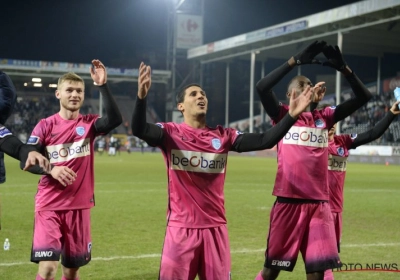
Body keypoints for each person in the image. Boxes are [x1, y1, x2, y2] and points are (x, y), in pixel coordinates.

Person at [131, 62, 315, 280]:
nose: (201, 97)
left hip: (216, 229)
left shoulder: (223, 135)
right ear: (180, 106)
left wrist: (291, 115)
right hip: (181, 230)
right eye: (193, 94)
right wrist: (141, 97)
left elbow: (266, 140)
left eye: (203, 94)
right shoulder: (170, 133)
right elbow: (139, 129)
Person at [253, 41, 372, 280]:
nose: (308, 87)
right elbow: (262, 87)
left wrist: (344, 69)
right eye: (302, 85)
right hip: (288, 202)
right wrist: (295, 60)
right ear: (290, 95)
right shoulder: (281, 116)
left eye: (310, 84)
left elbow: (363, 96)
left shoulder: (325, 118)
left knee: (317, 273)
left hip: (319, 205)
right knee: (271, 271)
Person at [26, 59, 122, 280]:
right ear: (58, 94)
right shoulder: (45, 125)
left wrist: (103, 86)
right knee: (48, 268)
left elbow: (115, 119)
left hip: (79, 207)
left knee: (70, 272)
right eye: (69, 90)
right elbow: (28, 161)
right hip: (49, 205)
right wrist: (51, 169)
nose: (75, 94)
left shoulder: (89, 124)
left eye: (79, 90)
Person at [323, 101, 400, 280]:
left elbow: (372, 133)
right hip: (319, 209)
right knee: (323, 263)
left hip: (337, 210)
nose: (332, 126)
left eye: (333, 122)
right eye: (328, 122)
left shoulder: (344, 142)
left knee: (327, 262)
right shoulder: (312, 146)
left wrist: (391, 114)